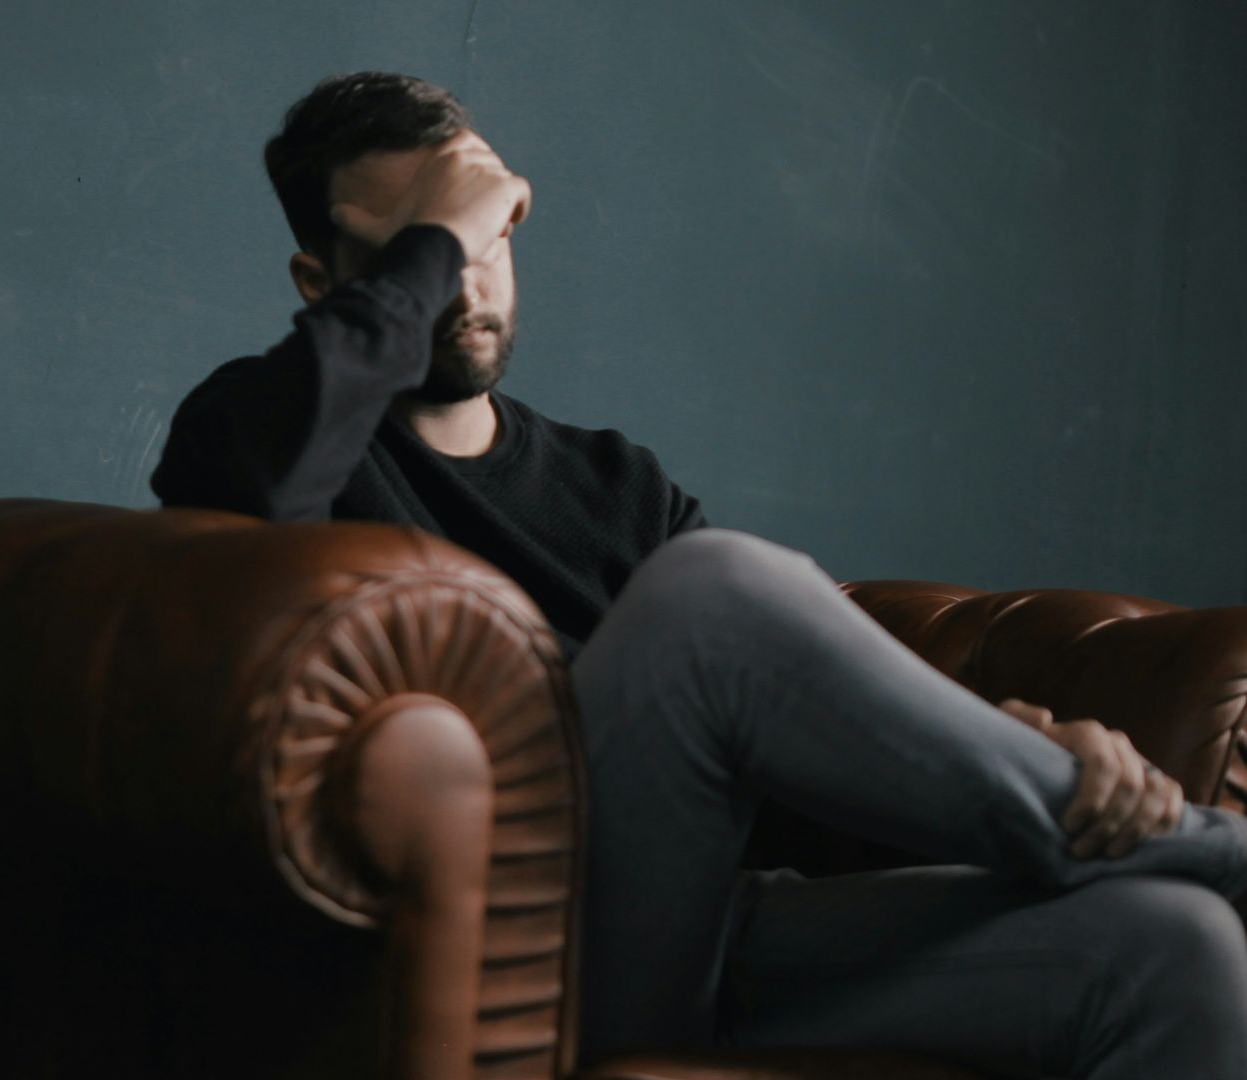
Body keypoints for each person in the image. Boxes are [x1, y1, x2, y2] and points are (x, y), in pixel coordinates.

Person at [149, 71, 1247, 1078]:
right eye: (430, 248)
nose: (467, 279)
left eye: (492, 235)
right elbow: (253, 480)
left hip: (712, 932)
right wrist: (443, 229)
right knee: (712, 594)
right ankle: (1202, 848)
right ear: (320, 282)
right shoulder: (258, 425)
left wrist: (1023, 741)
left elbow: (794, 704)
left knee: (1173, 945)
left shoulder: (613, 480)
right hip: (519, 954)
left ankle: (1139, 842)